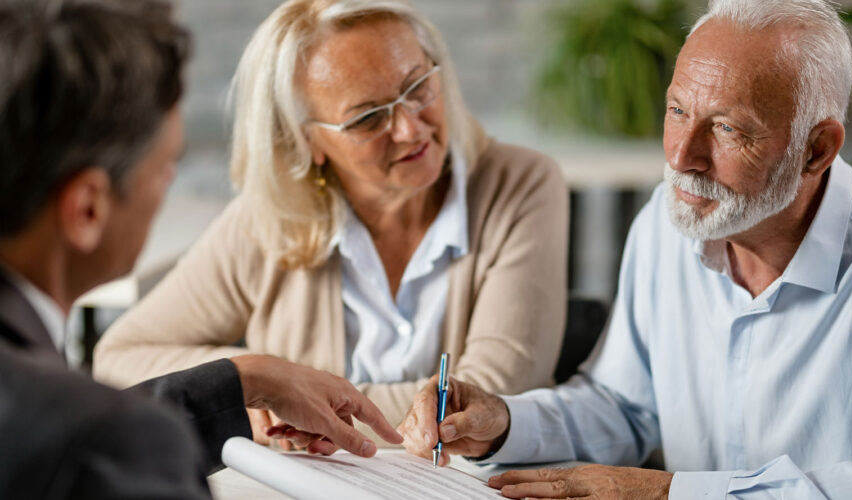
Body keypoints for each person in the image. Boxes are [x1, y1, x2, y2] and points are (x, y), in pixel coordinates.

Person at [398, 0, 852, 498]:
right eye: (678, 110)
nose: (682, 156)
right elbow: (625, 407)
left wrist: (665, 494)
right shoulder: (666, 222)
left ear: (816, 149)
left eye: (727, 128)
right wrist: (503, 421)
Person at [93, 0, 568, 447]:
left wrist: (296, 402)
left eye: (418, 86)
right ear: (307, 143)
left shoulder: (522, 184)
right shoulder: (269, 219)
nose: (410, 128)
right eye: (367, 119)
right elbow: (118, 359)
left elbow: (485, 403)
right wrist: (254, 379)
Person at [0, 1, 402, 497]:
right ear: (87, 210)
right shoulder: (110, 445)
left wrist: (245, 377)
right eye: (166, 166)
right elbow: (91, 436)